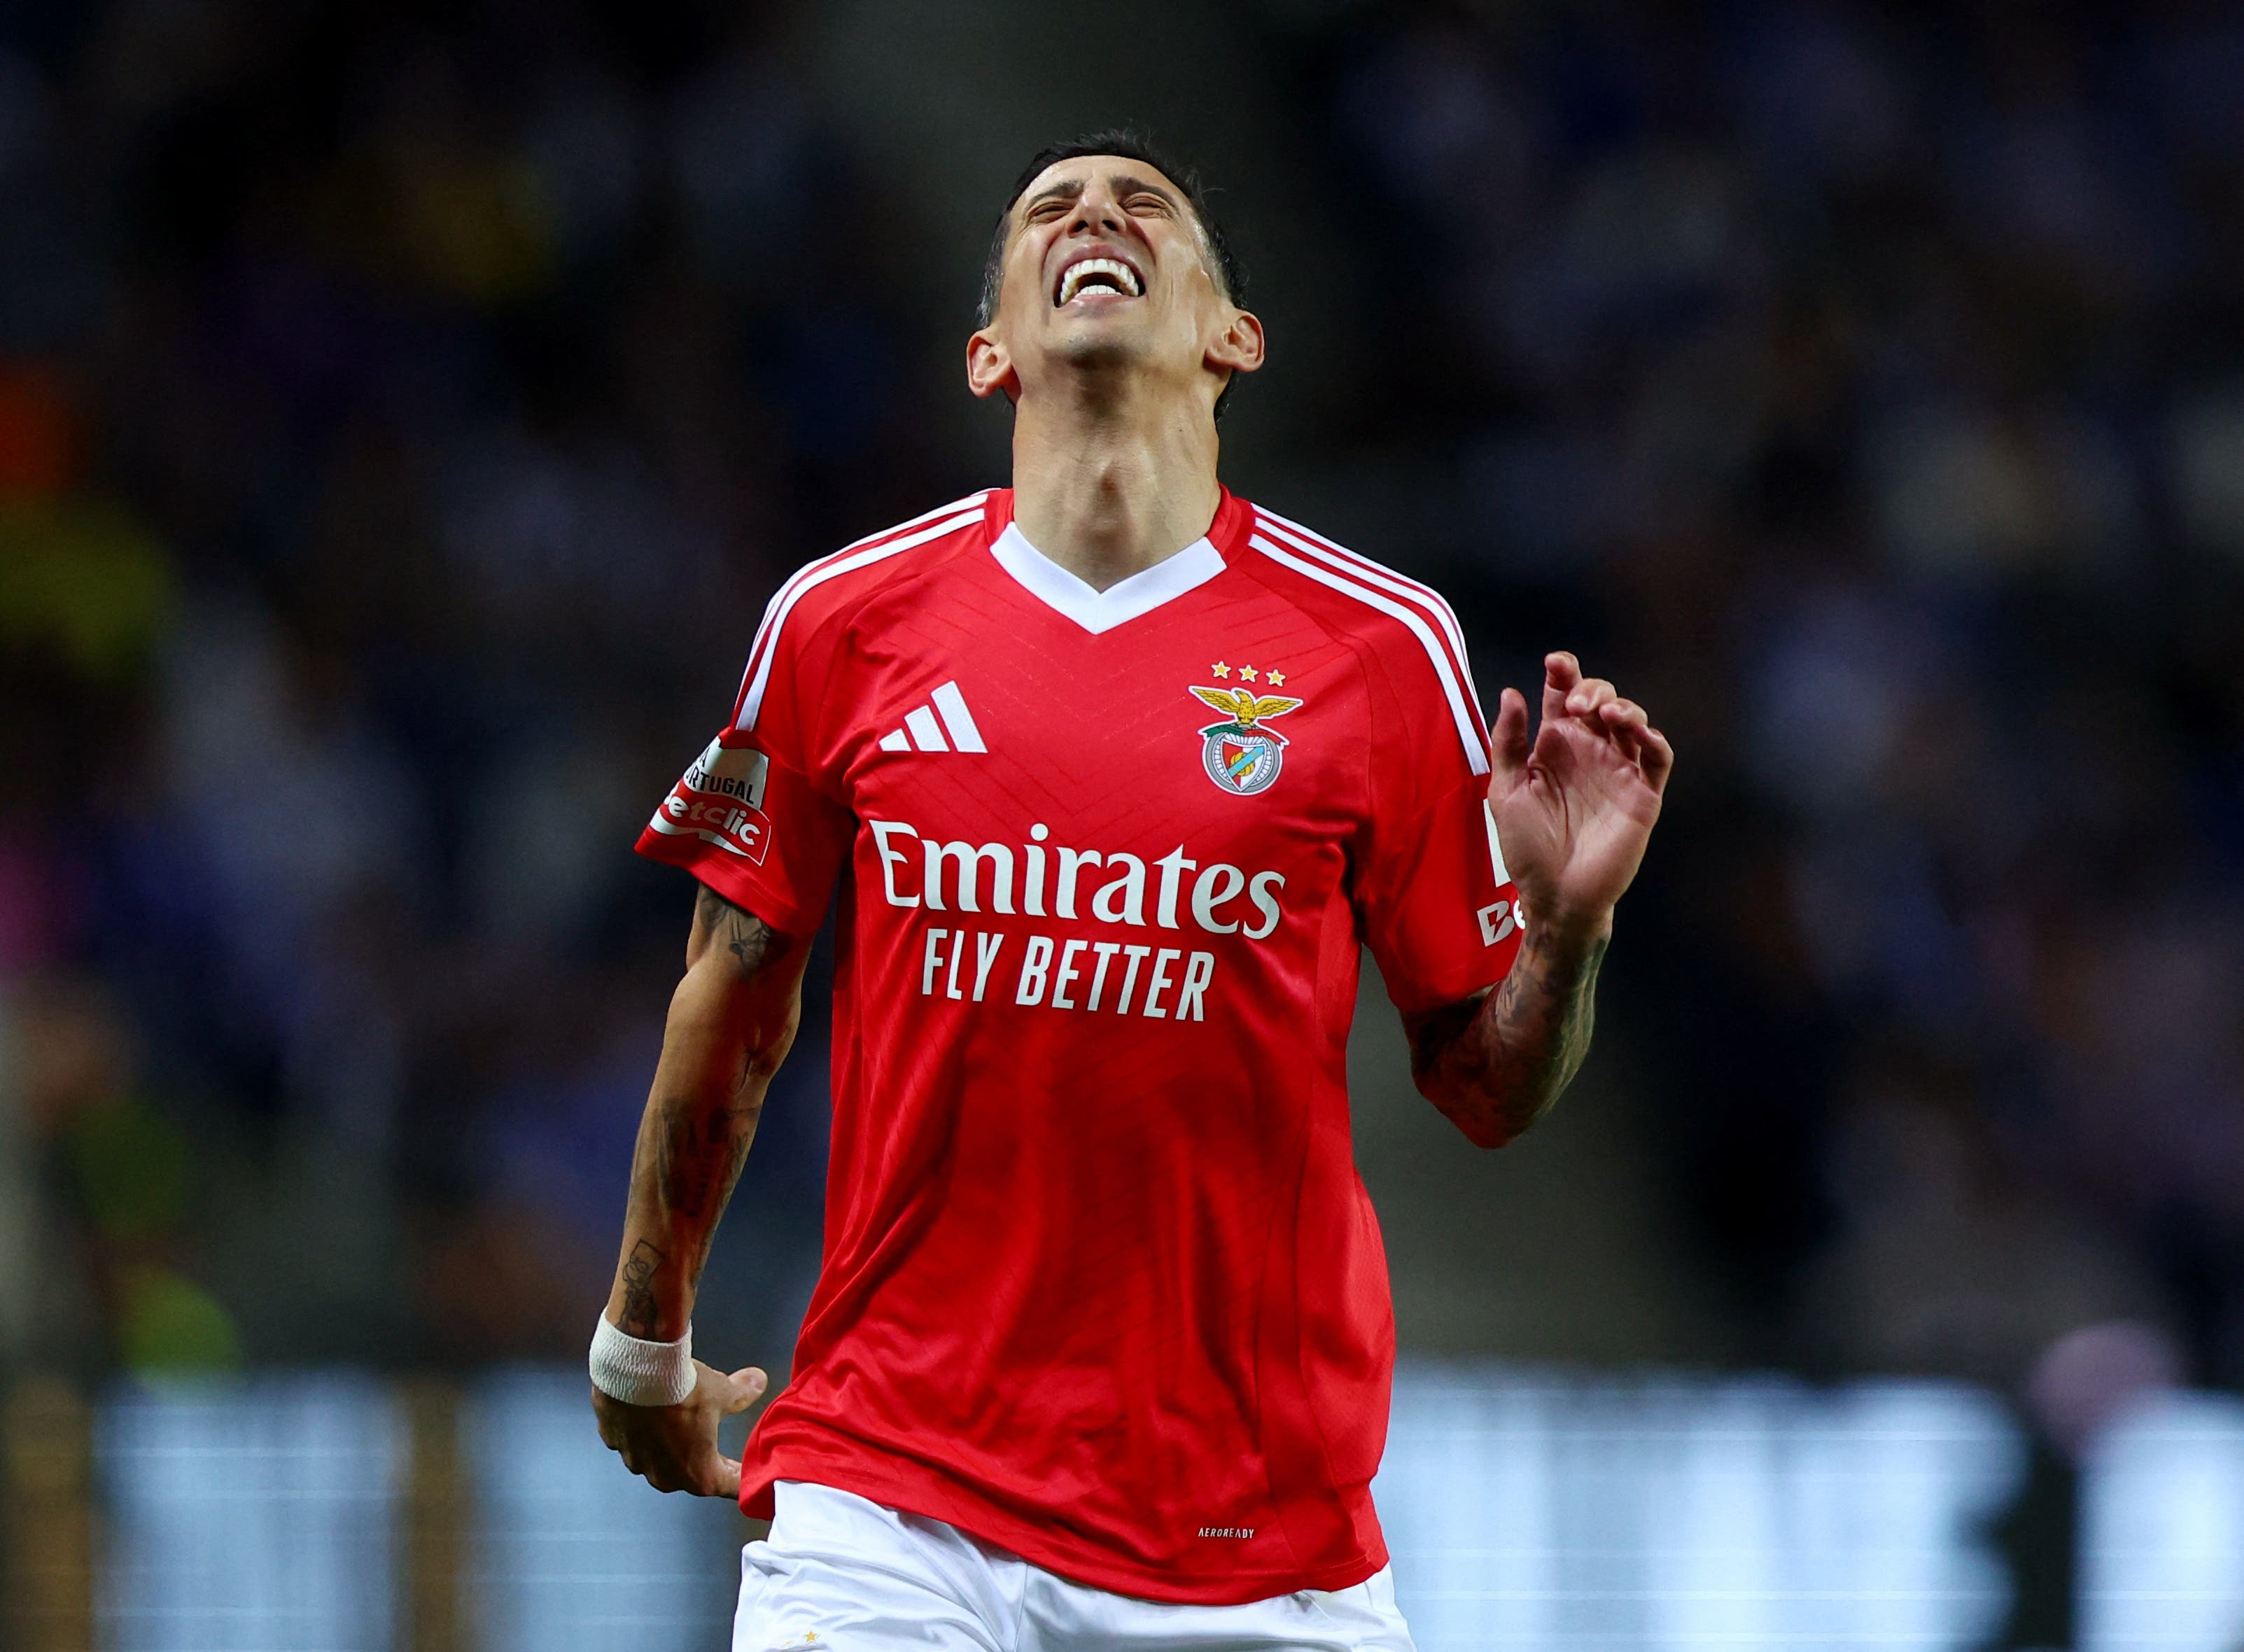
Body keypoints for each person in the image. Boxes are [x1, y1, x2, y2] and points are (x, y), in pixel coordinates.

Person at [589, 130, 1671, 1651]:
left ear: (1234, 337)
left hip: (1255, 1539)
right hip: (894, 1496)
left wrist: (1568, 928)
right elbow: (734, 997)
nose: (1094, 215)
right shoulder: (843, 622)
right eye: (1049, 208)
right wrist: (645, 1337)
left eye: (1145, 203)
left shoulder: (1378, 646)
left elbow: (1488, 1089)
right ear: (989, 352)